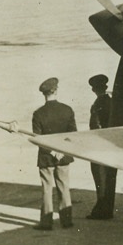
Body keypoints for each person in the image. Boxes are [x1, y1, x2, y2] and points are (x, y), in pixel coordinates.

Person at [32, 77, 77, 231]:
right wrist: (60, 150)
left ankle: (46, 222)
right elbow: (73, 134)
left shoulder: (38, 114)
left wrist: (52, 151)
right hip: (63, 156)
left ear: (44, 94)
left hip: (46, 157)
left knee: (46, 189)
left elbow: (37, 139)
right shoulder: (67, 110)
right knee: (64, 187)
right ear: (56, 90)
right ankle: (67, 221)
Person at [86, 74, 116, 220]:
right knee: (110, 178)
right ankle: (108, 209)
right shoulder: (113, 103)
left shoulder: (97, 105)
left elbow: (94, 127)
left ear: (94, 90)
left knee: (100, 179)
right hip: (113, 147)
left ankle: (101, 210)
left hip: (100, 148)